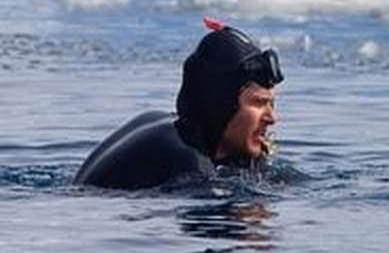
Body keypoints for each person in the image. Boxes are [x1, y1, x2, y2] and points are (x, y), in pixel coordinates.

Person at [73, 17, 283, 190]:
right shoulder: (188, 164)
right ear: (220, 104)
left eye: (271, 104)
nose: (272, 118)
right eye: (258, 103)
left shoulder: (165, 125)